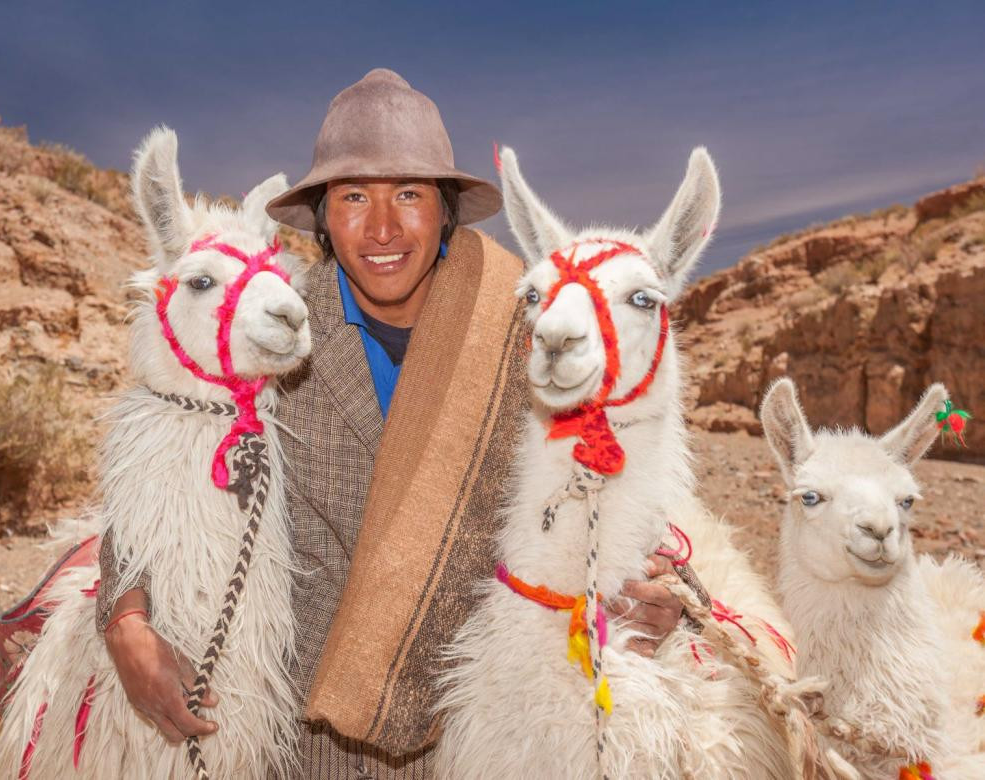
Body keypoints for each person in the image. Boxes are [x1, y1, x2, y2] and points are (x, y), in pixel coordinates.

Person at [98, 68, 682, 778]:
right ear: (320, 216)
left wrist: (664, 585)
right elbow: (165, 457)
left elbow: (624, 451)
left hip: (471, 731)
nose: (381, 228)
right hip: (303, 735)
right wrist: (124, 619)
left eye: (408, 194)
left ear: (444, 212)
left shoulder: (522, 331)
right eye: (352, 198)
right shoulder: (271, 328)